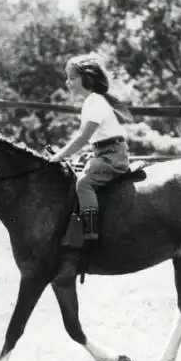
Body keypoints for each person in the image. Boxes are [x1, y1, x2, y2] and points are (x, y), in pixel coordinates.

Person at [49, 53, 133, 248]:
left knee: (84, 183)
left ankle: (90, 231)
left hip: (113, 157)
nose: (67, 82)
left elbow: (82, 138)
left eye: (71, 77)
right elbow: (93, 140)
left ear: (85, 79)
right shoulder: (91, 102)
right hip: (105, 153)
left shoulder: (95, 103)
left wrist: (58, 156)